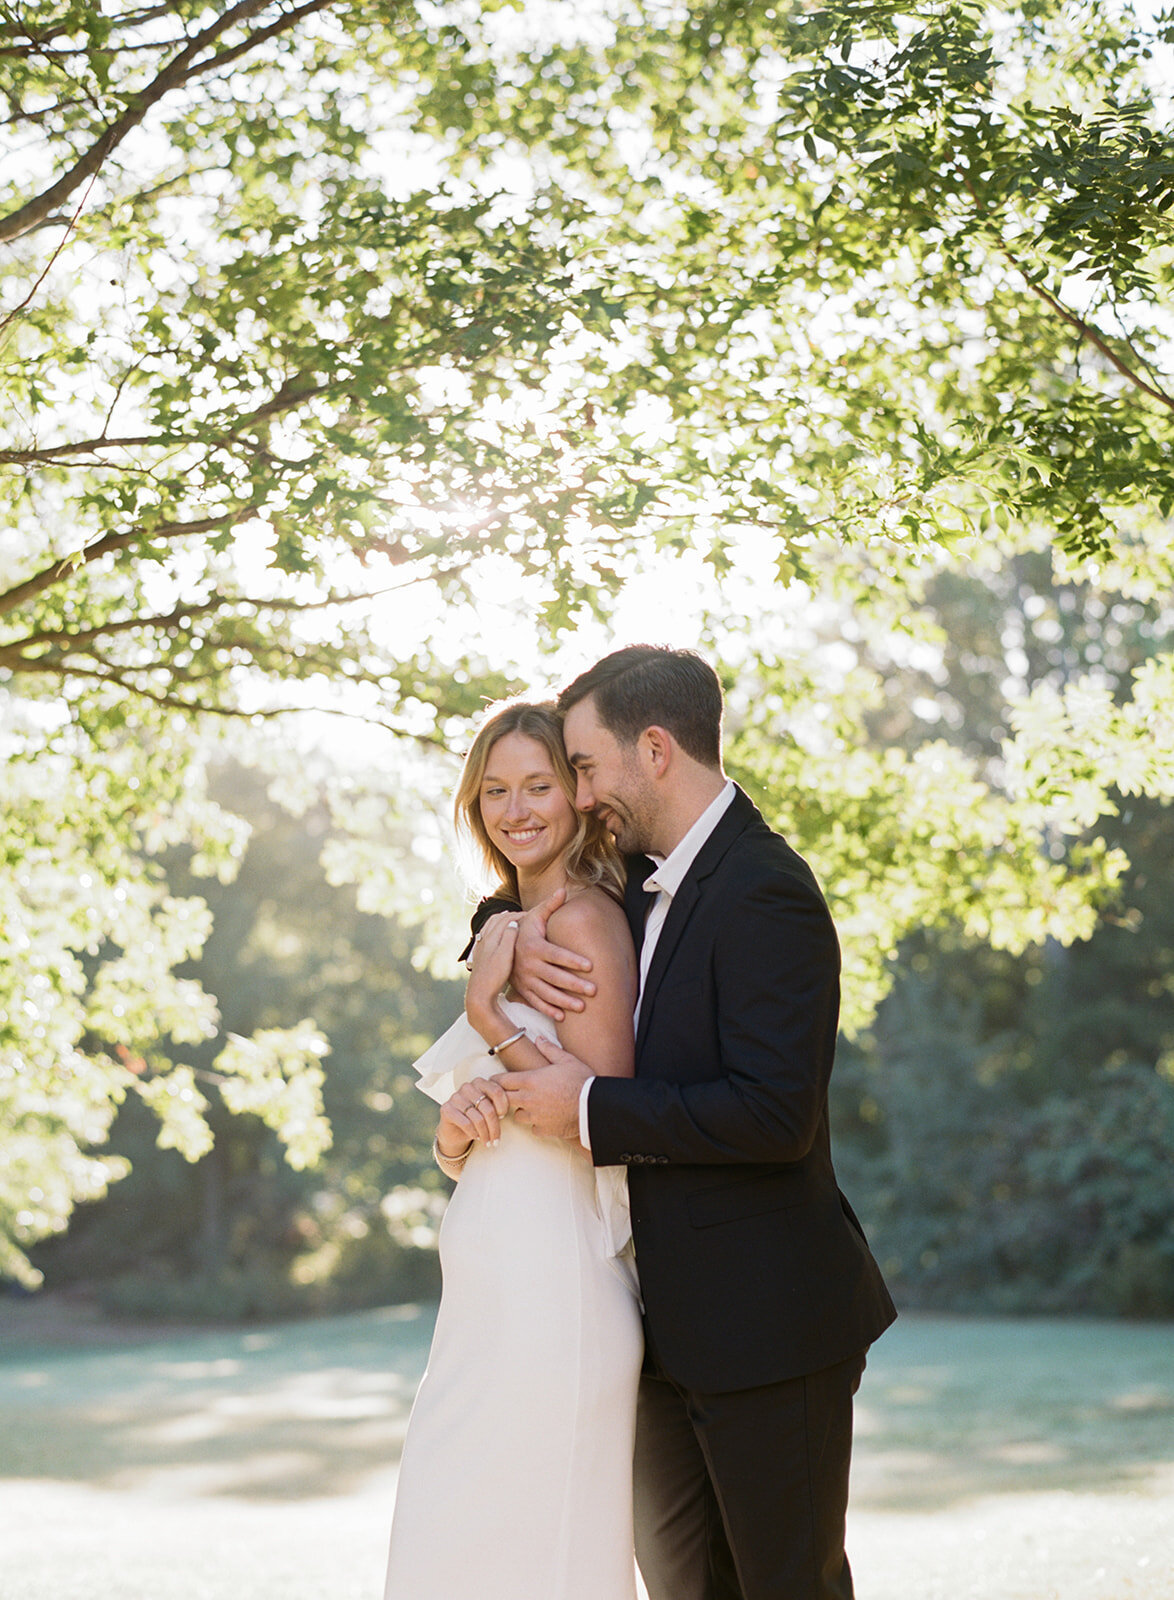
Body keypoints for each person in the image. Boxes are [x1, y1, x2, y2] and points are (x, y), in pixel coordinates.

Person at [497, 645, 897, 1600]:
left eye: (586, 767)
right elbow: (542, 885)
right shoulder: (648, 881)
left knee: (787, 1586)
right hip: (663, 1329)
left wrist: (590, 1108)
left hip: (769, 1323)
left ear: (656, 749)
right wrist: (494, 944)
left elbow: (774, 1114)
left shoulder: (764, 889)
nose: (582, 796)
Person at [382, 700, 644, 1600]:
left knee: (533, 1558)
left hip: (555, 1288)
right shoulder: (504, 925)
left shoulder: (583, 921)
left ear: (576, 796)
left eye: (538, 784)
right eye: (494, 789)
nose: (515, 807)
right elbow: (491, 1119)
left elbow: (602, 1106)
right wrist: (457, 1131)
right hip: (488, 1296)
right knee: (452, 1546)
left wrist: (490, 1018)